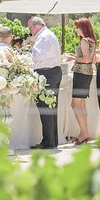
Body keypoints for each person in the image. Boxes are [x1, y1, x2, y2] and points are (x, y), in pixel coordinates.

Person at [28, 16, 62, 149]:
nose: (30, 31)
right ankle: (52, 140)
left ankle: (48, 142)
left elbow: (38, 56)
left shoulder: (43, 37)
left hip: (46, 73)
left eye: (30, 28)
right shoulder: (49, 34)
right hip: (54, 72)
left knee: (45, 107)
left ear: (35, 26)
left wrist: (27, 58)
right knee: (51, 107)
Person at [65, 18, 97, 145]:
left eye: (77, 27)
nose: (76, 30)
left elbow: (86, 59)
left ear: (83, 28)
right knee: (81, 104)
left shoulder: (84, 41)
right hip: (87, 73)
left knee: (75, 104)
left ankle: (84, 132)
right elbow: (92, 59)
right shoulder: (92, 41)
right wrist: (75, 57)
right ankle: (83, 132)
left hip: (81, 73)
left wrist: (73, 58)